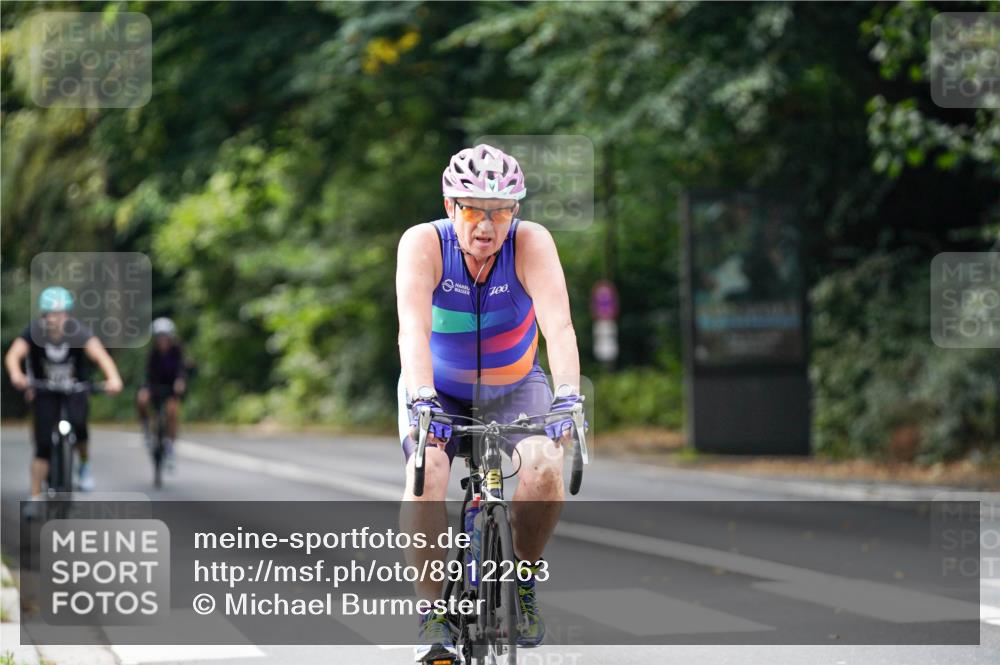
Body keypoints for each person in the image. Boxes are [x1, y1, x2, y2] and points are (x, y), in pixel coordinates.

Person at [396, 144, 582, 661]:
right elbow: (412, 331)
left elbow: (559, 326)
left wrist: (569, 393)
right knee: (426, 472)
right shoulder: (424, 244)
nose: (487, 225)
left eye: (500, 211)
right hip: (440, 388)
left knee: (546, 466)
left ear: (515, 211)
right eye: (474, 209)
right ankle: (432, 617)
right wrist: (422, 397)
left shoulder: (532, 244)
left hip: (516, 386)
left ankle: (522, 579)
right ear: (450, 204)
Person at [4, 286, 123, 499]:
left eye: (60, 314)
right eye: (51, 314)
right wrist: (16, 374)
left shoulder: (78, 332)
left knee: (80, 427)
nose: (55, 319)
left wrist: (113, 378)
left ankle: (84, 466)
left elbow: (100, 355)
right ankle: (35, 496)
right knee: (42, 445)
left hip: (75, 388)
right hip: (44, 390)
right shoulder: (34, 332)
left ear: (67, 314)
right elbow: (13, 355)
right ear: (44, 316)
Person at [136, 317, 187, 469]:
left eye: (165, 337)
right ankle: (146, 428)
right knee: (142, 400)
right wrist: (146, 389)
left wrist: (180, 381)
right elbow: (148, 374)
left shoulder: (177, 350)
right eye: (160, 337)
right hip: (155, 386)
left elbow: (181, 370)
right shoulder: (153, 353)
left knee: (172, 413)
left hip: (172, 387)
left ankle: (170, 445)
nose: (163, 340)